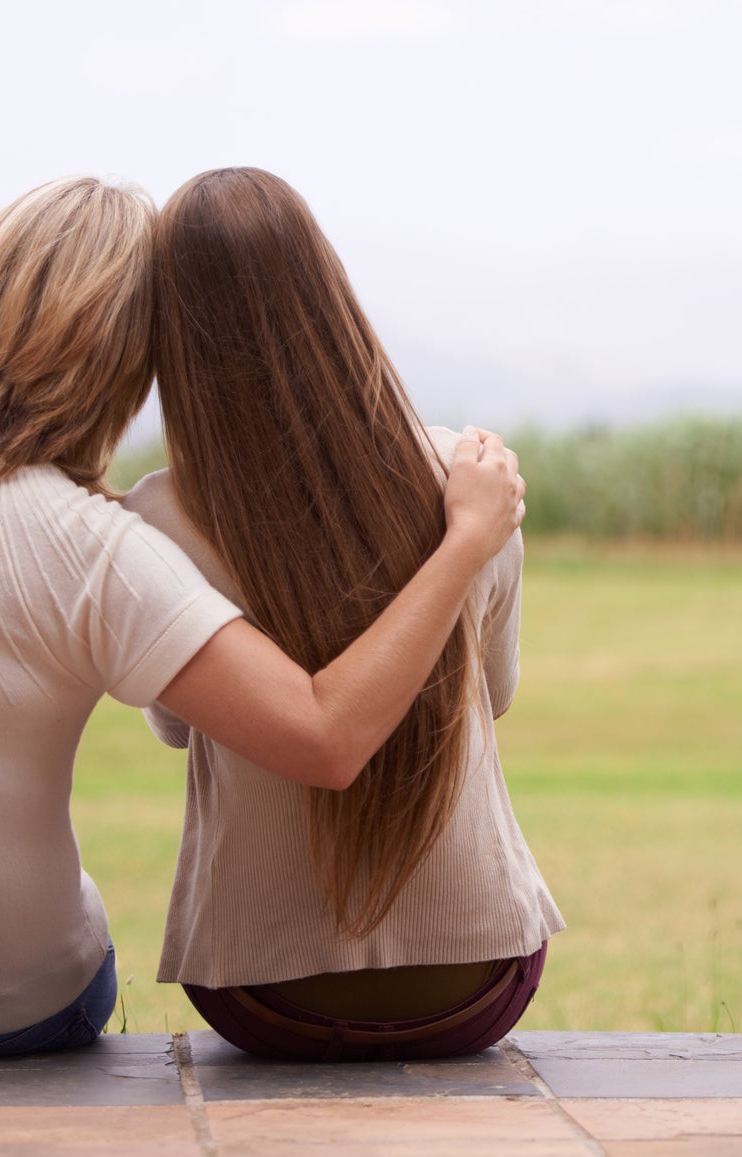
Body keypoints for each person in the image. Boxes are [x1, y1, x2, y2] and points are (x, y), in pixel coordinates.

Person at [0, 175, 525, 1060]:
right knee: (68, 913)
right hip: (12, 1003)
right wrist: (464, 540)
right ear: (128, 363)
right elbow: (325, 736)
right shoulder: (94, 545)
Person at [124, 167, 562, 1062]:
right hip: (476, 987)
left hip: (259, 994)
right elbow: (494, 692)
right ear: (330, 291)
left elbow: (176, 726)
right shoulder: (469, 480)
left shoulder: (156, 518)